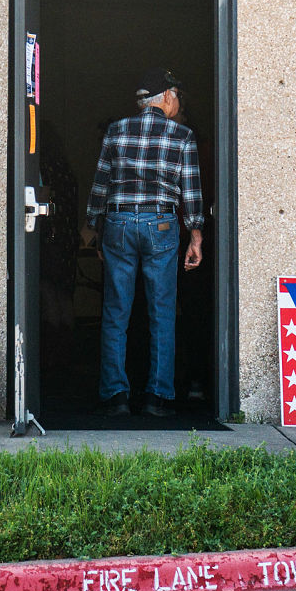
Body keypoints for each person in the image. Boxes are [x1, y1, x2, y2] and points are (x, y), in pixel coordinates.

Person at [79, 67, 203, 417]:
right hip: (161, 224)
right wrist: (195, 235)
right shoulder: (182, 135)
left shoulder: (117, 131)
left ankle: (115, 396)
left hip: (118, 222)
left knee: (116, 312)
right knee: (162, 312)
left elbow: (101, 183)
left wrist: (94, 227)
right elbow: (190, 190)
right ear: (166, 96)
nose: (178, 101)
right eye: (177, 95)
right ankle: (157, 397)